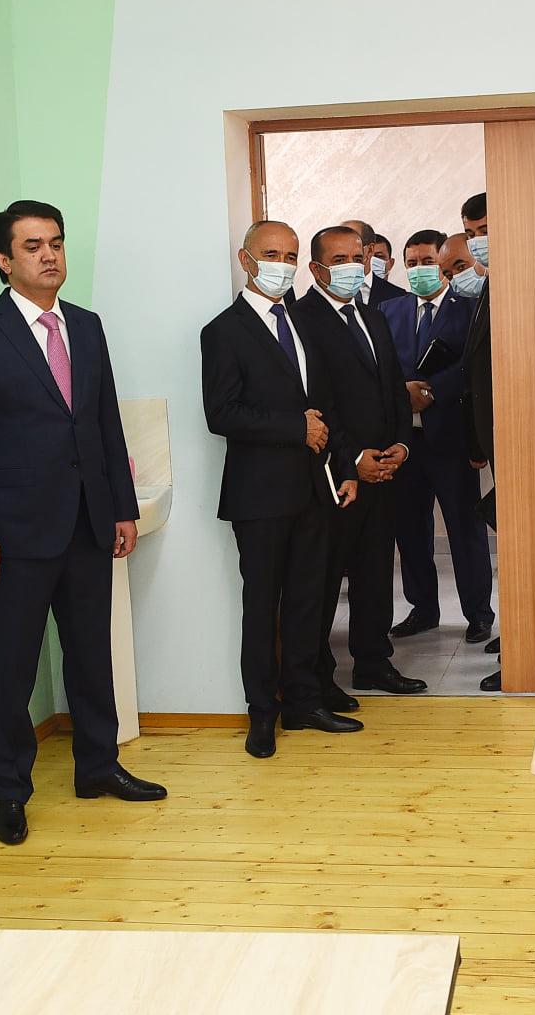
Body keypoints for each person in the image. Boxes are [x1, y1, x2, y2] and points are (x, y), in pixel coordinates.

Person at [0, 200, 164, 847]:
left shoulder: (86, 327)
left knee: (92, 657)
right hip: (13, 537)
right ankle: (9, 791)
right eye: (33, 246)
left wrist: (121, 507)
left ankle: (98, 765)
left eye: (57, 243)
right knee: (11, 672)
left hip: (88, 525)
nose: (49, 256)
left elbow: (103, 424)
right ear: (3, 260)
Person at [199, 220, 358, 757]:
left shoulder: (304, 323)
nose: (283, 266)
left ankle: (304, 703)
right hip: (260, 497)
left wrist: (344, 467)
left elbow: (326, 404)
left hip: (314, 489)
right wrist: (295, 428)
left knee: (308, 603)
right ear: (246, 260)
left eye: (291, 256)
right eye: (272, 254)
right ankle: (262, 714)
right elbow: (222, 413)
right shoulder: (223, 331)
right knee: (262, 606)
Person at [295, 226, 426, 702]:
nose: (354, 267)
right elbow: (316, 400)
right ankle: (319, 674)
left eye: (358, 257)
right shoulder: (300, 320)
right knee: (326, 577)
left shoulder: (372, 316)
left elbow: (394, 386)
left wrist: (401, 445)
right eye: (340, 260)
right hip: (336, 473)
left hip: (385, 467)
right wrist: (352, 457)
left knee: (375, 570)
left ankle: (373, 662)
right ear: (316, 269)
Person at [380, 230, 494, 644]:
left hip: (451, 439)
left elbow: (475, 367)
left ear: (442, 265)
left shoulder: (468, 308)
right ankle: (423, 609)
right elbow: (379, 367)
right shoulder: (388, 311)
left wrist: (432, 393)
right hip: (403, 443)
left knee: (465, 530)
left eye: (427, 262)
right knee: (410, 530)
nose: (419, 270)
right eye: (411, 263)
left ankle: (478, 613)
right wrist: (403, 393)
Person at [456, 194, 500, 689]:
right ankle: (516, 638)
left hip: (520, 436)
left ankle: (523, 650)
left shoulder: (520, 283)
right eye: (470, 235)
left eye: (484, 230)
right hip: (494, 437)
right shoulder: (489, 285)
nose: (477, 243)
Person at [338, 217, 409, 307]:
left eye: (350, 244)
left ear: (370, 250)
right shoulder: (324, 293)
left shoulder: (398, 296)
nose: (342, 251)